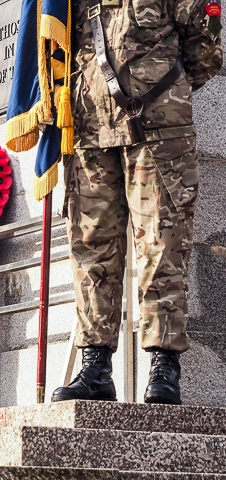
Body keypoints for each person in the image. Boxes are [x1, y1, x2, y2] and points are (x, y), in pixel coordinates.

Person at [51, 0, 222, 405]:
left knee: (161, 248)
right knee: (90, 250)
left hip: (159, 133)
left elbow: (205, 52)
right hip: (91, 133)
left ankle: (163, 366)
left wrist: (161, 90)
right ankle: (95, 366)